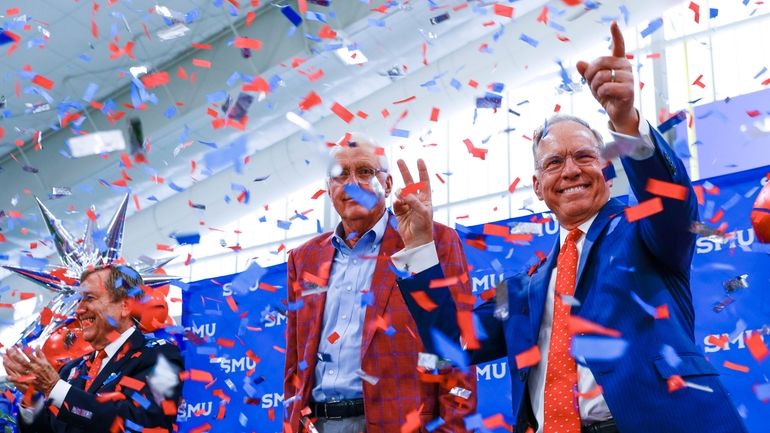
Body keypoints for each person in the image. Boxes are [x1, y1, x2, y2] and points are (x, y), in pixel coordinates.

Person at [391, 23, 748, 433]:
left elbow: (669, 201)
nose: (571, 170)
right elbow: (451, 341)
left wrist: (626, 121)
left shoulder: (642, 232)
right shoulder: (524, 288)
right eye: (554, 163)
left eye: (583, 156)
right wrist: (420, 246)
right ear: (538, 187)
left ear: (607, 170)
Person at [283, 134, 477, 433]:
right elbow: (296, 363)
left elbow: (456, 352)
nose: (352, 184)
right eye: (340, 175)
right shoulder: (303, 259)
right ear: (328, 188)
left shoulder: (433, 242)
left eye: (364, 172)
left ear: (387, 185)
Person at [3, 264, 184, 433]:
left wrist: (55, 388)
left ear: (125, 306)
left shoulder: (161, 356)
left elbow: (143, 423)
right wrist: (33, 398)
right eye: (79, 300)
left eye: (89, 298)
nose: (78, 310)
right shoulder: (70, 370)